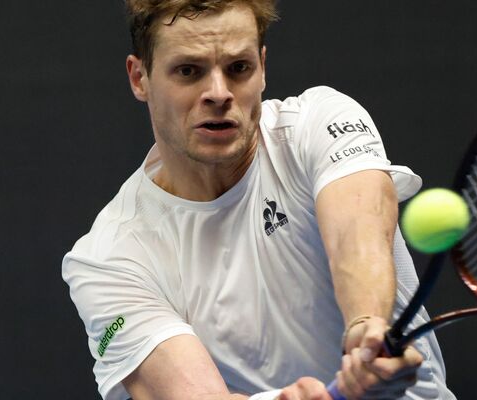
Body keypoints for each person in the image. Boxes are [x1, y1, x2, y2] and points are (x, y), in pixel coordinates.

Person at [62, 1, 456, 399]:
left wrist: (367, 325)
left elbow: (358, 231)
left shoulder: (317, 125)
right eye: (188, 71)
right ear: (139, 77)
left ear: (262, 67)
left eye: (238, 68)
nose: (218, 93)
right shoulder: (108, 259)